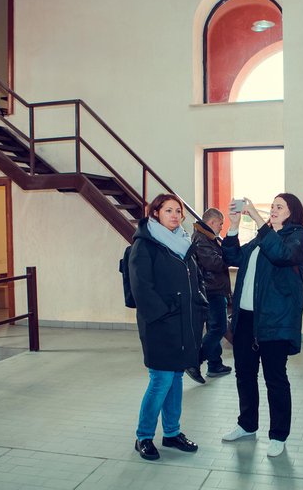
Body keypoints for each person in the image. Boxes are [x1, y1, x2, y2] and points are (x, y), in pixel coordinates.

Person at [220, 194, 303, 457]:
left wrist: (259, 219)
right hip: (247, 318)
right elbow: (233, 256)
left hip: (275, 320)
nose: (272, 210)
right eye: (271, 206)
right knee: (245, 375)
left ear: (291, 212)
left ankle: (278, 435)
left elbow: (283, 255)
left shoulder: (300, 236)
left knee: (275, 379)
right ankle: (247, 425)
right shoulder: (262, 238)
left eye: (279, 207)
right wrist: (235, 226)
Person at [128, 193, 206, 461]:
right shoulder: (146, 244)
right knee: (160, 380)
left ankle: (171, 433)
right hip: (159, 324)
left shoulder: (184, 243)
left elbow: (195, 280)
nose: (175, 215)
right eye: (168, 210)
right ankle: (143, 437)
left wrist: (200, 304)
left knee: (175, 379)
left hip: (184, 324)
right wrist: (163, 312)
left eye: (178, 211)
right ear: (155, 213)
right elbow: (141, 287)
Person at [187, 207, 232, 384]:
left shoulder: (207, 237)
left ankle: (215, 364)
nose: (221, 227)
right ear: (211, 222)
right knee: (218, 328)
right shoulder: (202, 239)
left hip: (212, 288)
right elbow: (214, 263)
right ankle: (194, 361)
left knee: (214, 327)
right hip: (212, 291)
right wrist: (231, 255)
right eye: (220, 224)